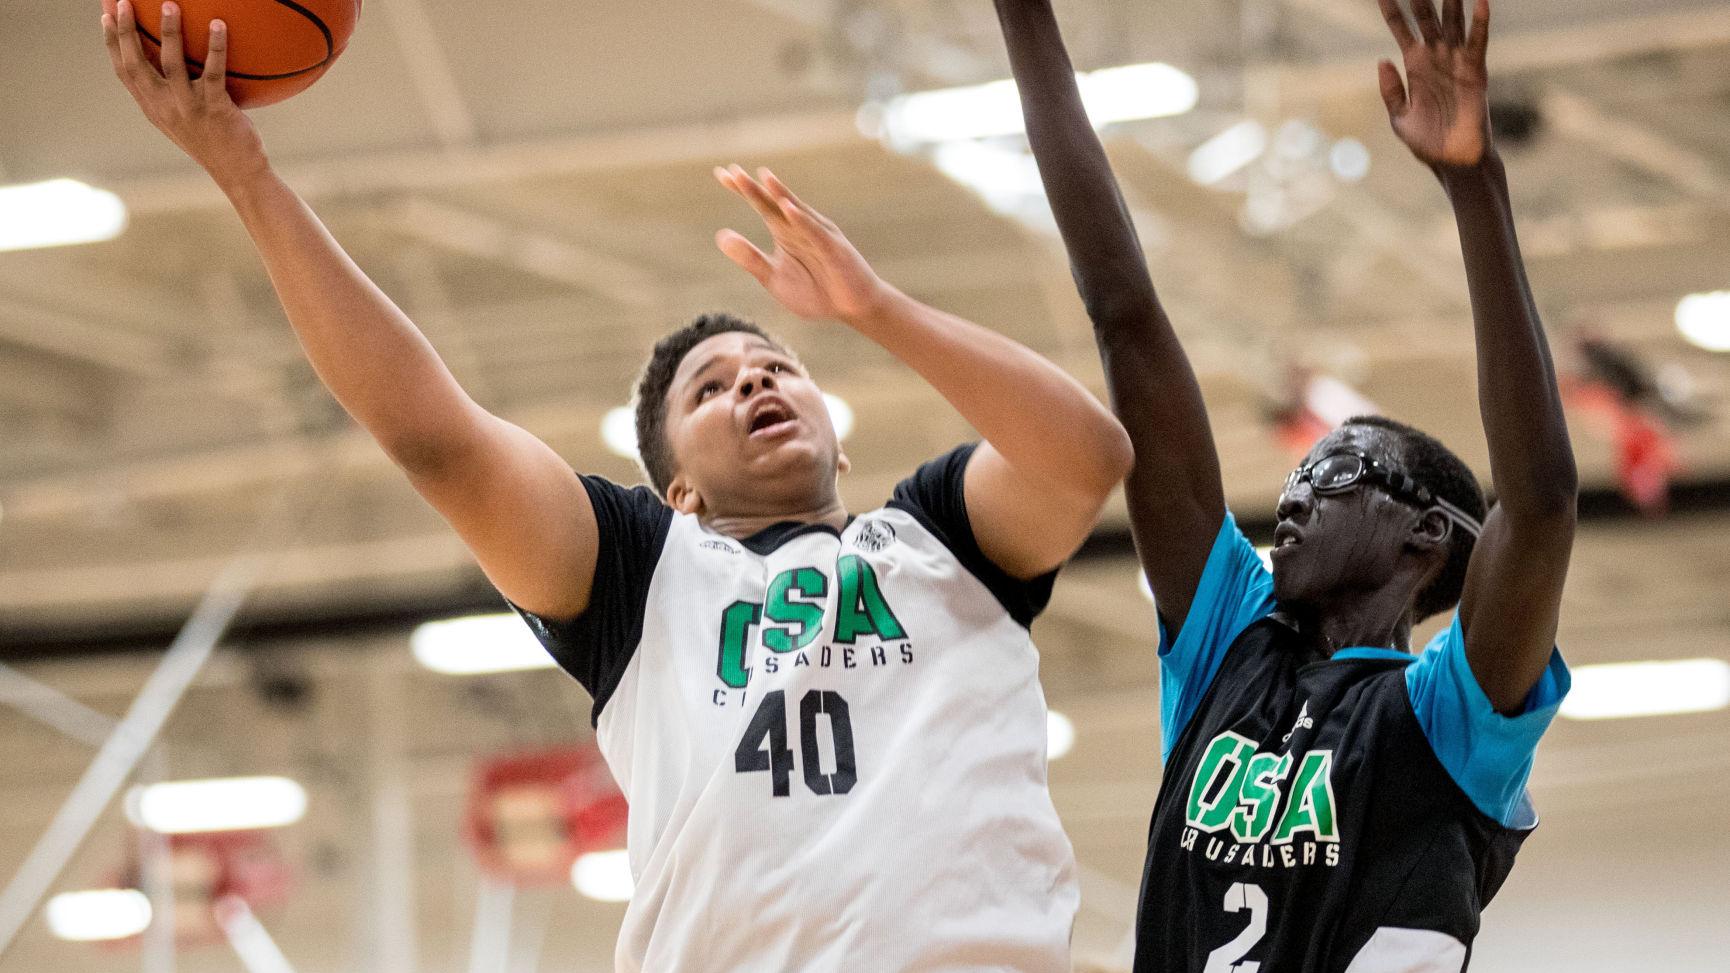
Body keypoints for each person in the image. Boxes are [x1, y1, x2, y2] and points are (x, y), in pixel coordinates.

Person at [102, 2, 1133, 969]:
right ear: (676, 486)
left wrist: (874, 309)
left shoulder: (937, 541)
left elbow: (1086, 456)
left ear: (837, 434)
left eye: (777, 368)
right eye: (711, 388)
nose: (755, 383)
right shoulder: (644, 573)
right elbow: (434, 438)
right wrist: (249, 181)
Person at [991, 0, 1576, 969]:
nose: (1294, 495)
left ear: (1423, 535)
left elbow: (1542, 500)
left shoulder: (1447, 720)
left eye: (1336, 471)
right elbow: (1122, 313)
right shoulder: (1229, 638)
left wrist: (1474, 185)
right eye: (1298, 474)